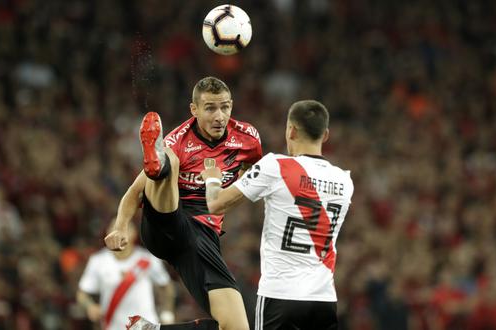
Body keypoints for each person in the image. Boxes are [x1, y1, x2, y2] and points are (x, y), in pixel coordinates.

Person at [104, 76, 262, 330]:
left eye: (224, 107)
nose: (219, 115)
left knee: (236, 327)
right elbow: (135, 192)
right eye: (210, 108)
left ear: (232, 105)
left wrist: (231, 193)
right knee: (169, 161)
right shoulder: (178, 141)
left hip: (202, 238)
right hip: (166, 224)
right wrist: (121, 226)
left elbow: (253, 171)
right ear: (194, 110)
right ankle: (157, 165)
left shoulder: (247, 139)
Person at [201, 100, 354, 330]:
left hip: (280, 296)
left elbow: (215, 204)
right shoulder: (345, 180)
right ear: (326, 135)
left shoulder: (276, 166)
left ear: (291, 130)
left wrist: (212, 177)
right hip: (324, 300)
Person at [77, 224, 175, 330]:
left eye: (124, 228)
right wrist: (90, 306)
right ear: (107, 234)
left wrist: (167, 312)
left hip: (145, 325)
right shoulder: (98, 261)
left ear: (134, 234)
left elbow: (166, 286)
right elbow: (82, 293)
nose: (118, 232)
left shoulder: (148, 259)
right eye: (114, 228)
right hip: (112, 326)